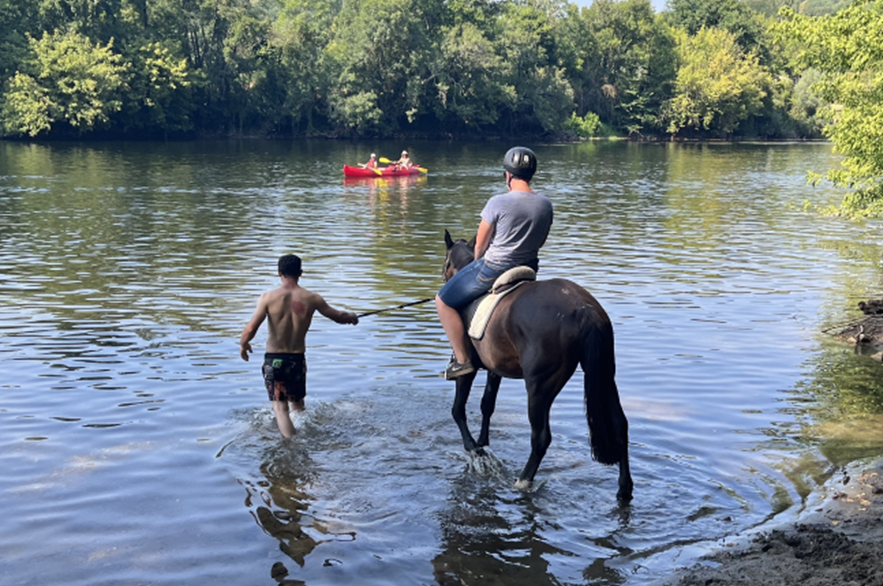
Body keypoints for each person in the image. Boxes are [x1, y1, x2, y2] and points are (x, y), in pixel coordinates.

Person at [435, 146, 552, 379]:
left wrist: (473, 266)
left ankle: (461, 360)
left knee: (442, 301)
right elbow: (540, 242)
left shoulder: (497, 203)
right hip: (529, 268)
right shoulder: (545, 204)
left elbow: (479, 245)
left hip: (494, 268)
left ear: (507, 175)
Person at [239, 254, 359, 437]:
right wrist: (351, 317)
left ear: (279, 273)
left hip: (274, 360)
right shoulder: (312, 298)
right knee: (297, 406)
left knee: (280, 409)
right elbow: (339, 317)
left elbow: (250, 328)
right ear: (300, 273)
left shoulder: (267, 297)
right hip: (297, 360)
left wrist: (243, 344)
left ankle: (291, 445)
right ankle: (301, 435)